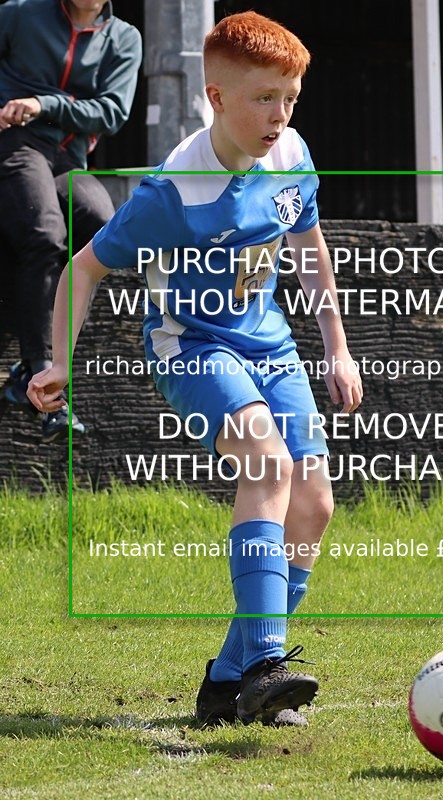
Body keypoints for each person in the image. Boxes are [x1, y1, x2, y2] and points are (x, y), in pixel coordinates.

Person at [28, 11, 362, 726]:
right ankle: (268, 663)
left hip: (270, 347)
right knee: (266, 466)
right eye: (263, 99)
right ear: (215, 97)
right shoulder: (171, 193)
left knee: (314, 507)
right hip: (194, 348)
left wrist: (334, 344)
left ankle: (228, 682)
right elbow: (83, 270)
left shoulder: (291, 153)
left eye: (290, 97)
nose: (279, 115)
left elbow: (308, 244)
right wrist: (60, 361)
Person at [0, 0, 142, 442]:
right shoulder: (19, 14)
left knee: (104, 228)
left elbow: (112, 112)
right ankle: (41, 373)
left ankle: (30, 364)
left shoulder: (124, 38)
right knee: (43, 232)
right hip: (15, 144)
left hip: (69, 157)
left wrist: (43, 104)